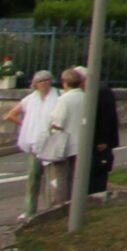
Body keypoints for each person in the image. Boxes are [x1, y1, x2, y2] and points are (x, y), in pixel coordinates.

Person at [6, 71, 55, 221]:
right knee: (33, 178)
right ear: (35, 84)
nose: (43, 83)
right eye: (40, 81)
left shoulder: (58, 96)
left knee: (52, 180)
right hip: (34, 143)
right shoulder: (30, 99)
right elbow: (10, 115)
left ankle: (51, 209)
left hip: (52, 143)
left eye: (46, 80)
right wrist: (25, 125)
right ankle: (29, 210)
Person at [33, 69, 77, 216]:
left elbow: (57, 123)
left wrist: (50, 130)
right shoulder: (84, 97)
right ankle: (69, 207)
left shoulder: (63, 98)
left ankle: (58, 209)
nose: (44, 83)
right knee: (71, 179)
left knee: (58, 180)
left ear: (65, 83)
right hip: (78, 146)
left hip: (60, 146)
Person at [84, 66, 118, 195]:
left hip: (100, 142)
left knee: (99, 169)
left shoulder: (102, 91)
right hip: (95, 140)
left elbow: (107, 118)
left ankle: (97, 195)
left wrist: (103, 140)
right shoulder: (95, 90)